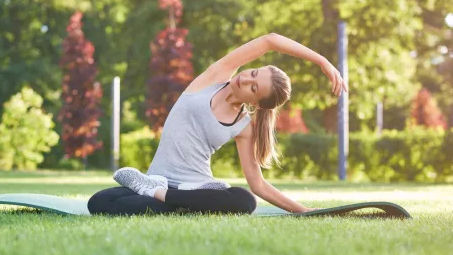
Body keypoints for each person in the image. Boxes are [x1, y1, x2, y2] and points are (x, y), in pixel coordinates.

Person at [88, 33, 348, 216]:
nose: (245, 80)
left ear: (256, 102)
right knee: (100, 202)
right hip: (162, 180)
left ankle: (161, 196)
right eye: (253, 73)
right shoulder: (214, 77)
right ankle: (166, 196)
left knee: (245, 200)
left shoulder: (243, 127)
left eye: (253, 87)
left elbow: (257, 185)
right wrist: (322, 62)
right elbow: (270, 40)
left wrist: (302, 210)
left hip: (198, 188)